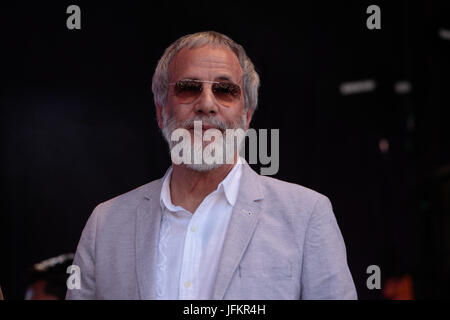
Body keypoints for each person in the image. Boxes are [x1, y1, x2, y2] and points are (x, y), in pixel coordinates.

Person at [66, 31, 357, 300]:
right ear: (160, 111)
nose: (206, 104)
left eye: (225, 90)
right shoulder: (105, 224)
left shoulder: (306, 214)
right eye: (189, 88)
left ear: (246, 117)